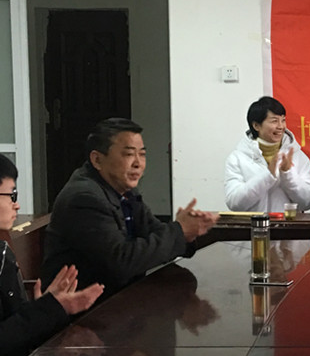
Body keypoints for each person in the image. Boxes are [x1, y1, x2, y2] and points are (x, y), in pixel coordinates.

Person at [42, 118, 218, 297]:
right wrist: (179, 231)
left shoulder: (125, 191)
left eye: (142, 154)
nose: (138, 163)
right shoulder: (84, 198)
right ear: (97, 160)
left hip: (118, 299)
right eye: (128, 154)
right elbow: (121, 262)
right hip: (86, 307)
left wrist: (186, 233)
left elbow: (153, 231)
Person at [0, 154, 103, 356]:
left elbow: (15, 325)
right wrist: (48, 309)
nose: (17, 205)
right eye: (12, 195)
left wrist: (45, 308)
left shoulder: (3, 252)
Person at [224, 96, 310, 213]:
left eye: (283, 120)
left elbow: (309, 202)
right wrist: (268, 176)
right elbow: (234, 203)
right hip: (253, 224)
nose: (281, 126)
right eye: (274, 121)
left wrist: (288, 174)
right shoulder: (238, 158)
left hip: (288, 224)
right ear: (256, 126)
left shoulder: (297, 156)